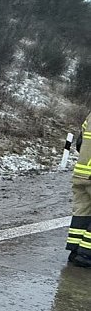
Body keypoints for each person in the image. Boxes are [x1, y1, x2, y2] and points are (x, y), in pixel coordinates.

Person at [67, 111, 91, 267]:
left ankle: (75, 251)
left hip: (82, 171)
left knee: (82, 211)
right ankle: (86, 255)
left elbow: (80, 142)